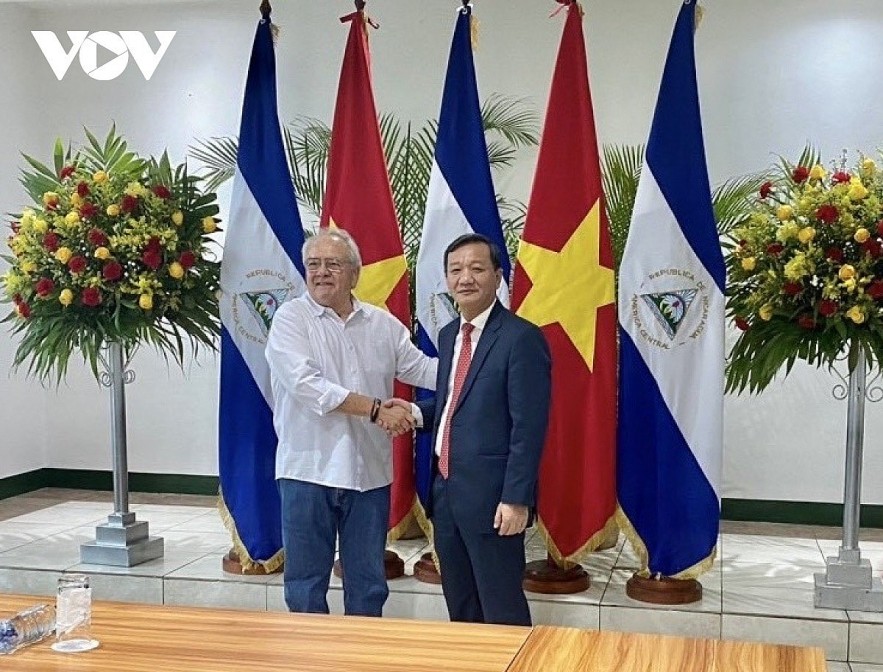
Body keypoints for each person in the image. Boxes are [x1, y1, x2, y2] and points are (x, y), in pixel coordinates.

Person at [265, 228, 436, 617]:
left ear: (355, 274)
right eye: (314, 264)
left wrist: (480, 365)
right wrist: (377, 409)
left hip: (368, 476)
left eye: (333, 264)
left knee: (369, 586)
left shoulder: (382, 323)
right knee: (306, 586)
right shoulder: (290, 319)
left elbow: (421, 368)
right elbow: (310, 388)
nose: (321, 272)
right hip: (309, 473)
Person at [414, 232, 551, 626]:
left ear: (497, 275)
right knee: (461, 606)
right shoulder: (448, 336)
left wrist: (517, 499)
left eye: (477, 268)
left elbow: (528, 427)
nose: (465, 278)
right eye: (455, 270)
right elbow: (454, 405)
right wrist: (413, 413)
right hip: (445, 493)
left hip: (494, 501)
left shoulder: (521, 338)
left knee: (501, 608)